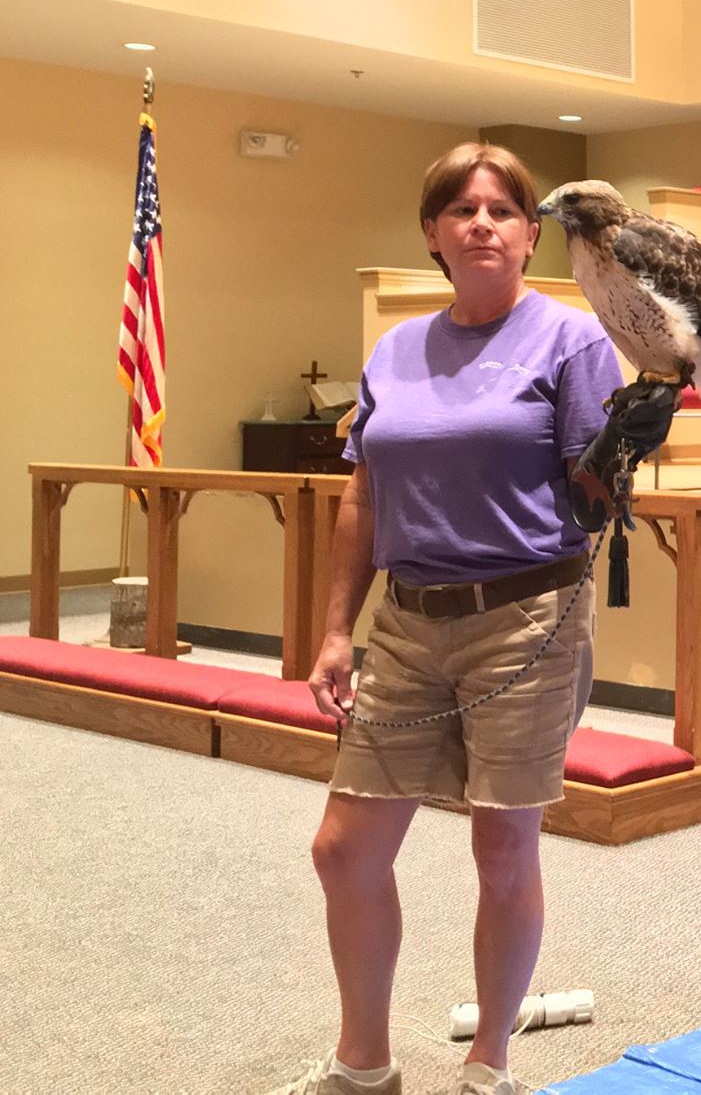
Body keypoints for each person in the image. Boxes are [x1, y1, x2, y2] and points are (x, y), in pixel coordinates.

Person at [273, 143, 623, 1095]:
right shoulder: (396, 350)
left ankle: (487, 1066)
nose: (482, 225)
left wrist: (630, 441)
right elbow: (363, 495)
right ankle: (363, 1065)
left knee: (502, 846)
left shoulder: (572, 341)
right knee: (344, 850)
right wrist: (337, 630)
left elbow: (597, 494)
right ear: (432, 233)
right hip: (407, 622)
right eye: (462, 210)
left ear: (530, 234)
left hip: (526, 619)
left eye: (503, 210)